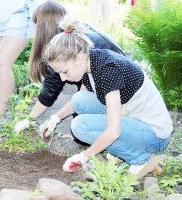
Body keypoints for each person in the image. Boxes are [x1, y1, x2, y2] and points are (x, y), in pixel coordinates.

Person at [38, 17, 173, 179]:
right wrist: (54, 119)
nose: (62, 78)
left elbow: (113, 131)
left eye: (64, 71)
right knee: (80, 99)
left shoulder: (108, 70)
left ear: (79, 58)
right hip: (132, 117)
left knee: (80, 126)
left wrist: (84, 156)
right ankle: (121, 151)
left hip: (154, 135)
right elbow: (78, 102)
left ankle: (142, 160)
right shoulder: (91, 62)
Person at [14, 0, 124, 135]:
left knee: (46, 115)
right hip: (102, 83)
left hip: (115, 92)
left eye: (36, 25)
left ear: (41, 28)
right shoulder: (70, 34)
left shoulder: (62, 47)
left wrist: (32, 119)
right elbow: (54, 85)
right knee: (53, 107)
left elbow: (50, 93)